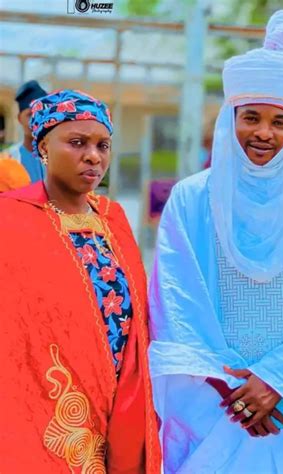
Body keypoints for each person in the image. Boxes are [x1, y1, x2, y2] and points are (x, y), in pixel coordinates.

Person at [148, 10, 283, 474]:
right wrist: (234, 392)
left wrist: (279, 380)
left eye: (280, 121)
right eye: (251, 117)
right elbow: (176, 303)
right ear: (230, 119)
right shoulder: (191, 200)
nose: (264, 133)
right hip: (211, 409)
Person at [0, 89, 161, 473]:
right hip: (40, 401)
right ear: (42, 147)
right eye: (77, 143)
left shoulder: (113, 219)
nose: (93, 156)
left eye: (103, 145)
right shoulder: (10, 219)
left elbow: (137, 319)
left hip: (119, 398)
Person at [5, 79, 48, 183]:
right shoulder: (9, 158)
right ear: (20, 118)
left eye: (40, 114)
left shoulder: (57, 156)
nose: (35, 120)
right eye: (30, 115)